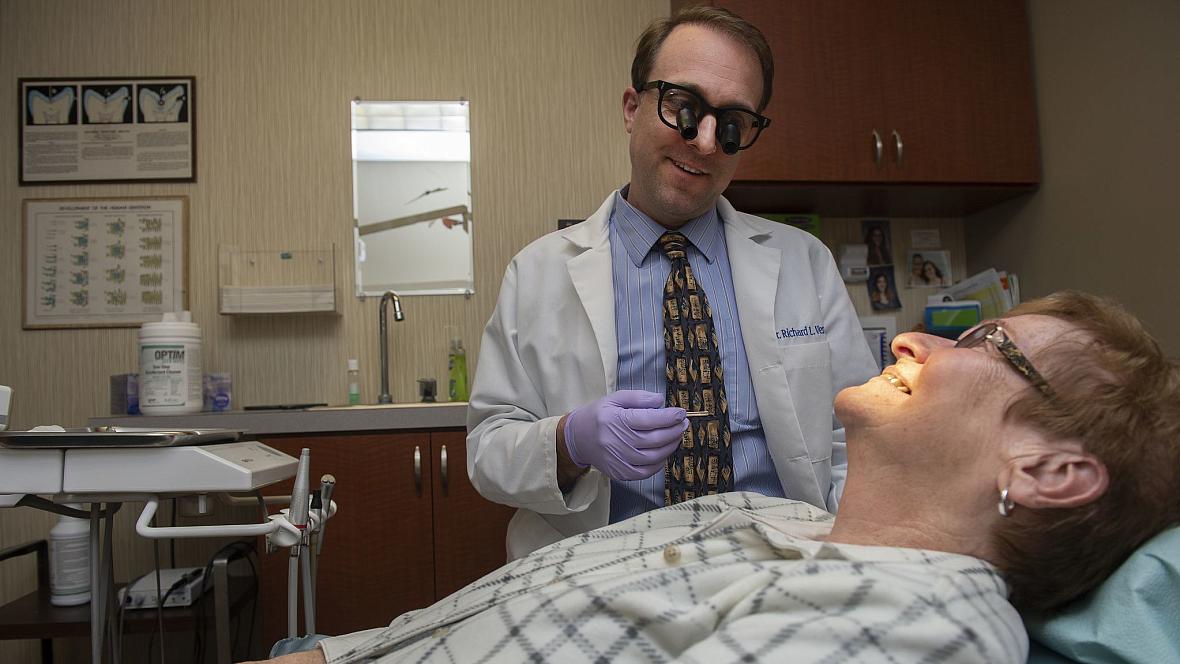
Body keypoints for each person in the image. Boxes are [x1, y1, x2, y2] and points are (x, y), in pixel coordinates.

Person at [252, 291, 1180, 664]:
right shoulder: (757, 512)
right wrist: (568, 439)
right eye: (679, 105)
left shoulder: (914, 627)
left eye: (986, 342)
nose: (908, 340)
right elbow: (489, 462)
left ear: (1053, 471)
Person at [465, 6, 878, 558]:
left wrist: (849, 552)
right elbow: (488, 451)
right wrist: (568, 442)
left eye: (732, 124)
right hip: (604, 563)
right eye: (684, 107)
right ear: (632, 109)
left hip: (782, 556)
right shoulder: (537, 272)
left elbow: (858, 437)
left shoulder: (804, 261)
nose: (706, 142)